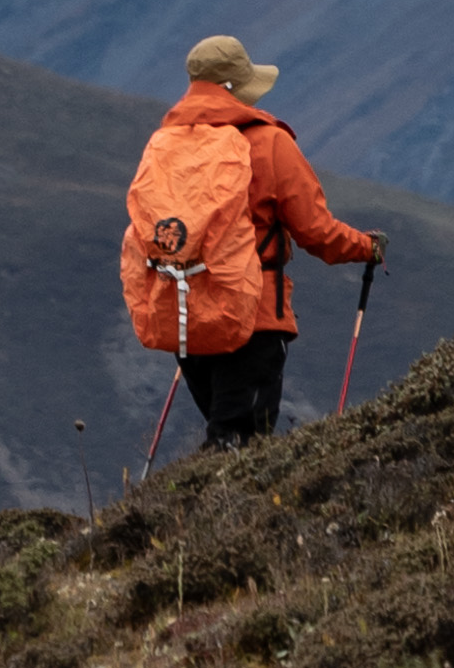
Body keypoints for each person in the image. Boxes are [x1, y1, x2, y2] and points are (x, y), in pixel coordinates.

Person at [119, 32, 381, 448]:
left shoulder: (166, 145)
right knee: (240, 446)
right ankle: (220, 512)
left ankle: (196, 509)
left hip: (190, 318)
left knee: (225, 439)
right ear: (237, 87)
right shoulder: (269, 142)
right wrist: (366, 247)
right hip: (253, 316)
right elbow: (317, 233)